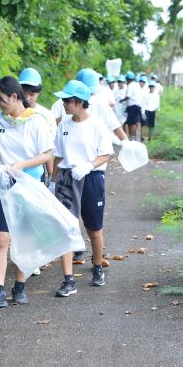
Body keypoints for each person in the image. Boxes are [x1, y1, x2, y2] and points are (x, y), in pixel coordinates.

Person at [0, 76, 53, 308]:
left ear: (14, 96)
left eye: (1, 99)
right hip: (1, 182)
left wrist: (20, 166)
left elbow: (47, 154)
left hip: (28, 183)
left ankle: (20, 284)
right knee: (1, 237)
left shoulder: (37, 121)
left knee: (24, 236)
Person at [51, 80, 113, 296]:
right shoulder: (63, 126)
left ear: (79, 102)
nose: (64, 104)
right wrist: (53, 181)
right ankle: (68, 280)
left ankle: (97, 266)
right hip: (68, 178)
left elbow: (105, 154)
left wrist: (88, 165)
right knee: (66, 227)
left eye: (66, 101)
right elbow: (58, 155)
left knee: (93, 227)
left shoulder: (96, 125)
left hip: (91, 176)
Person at [70, 68, 127, 262]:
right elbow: (118, 129)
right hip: (81, 167)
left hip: (93, 166)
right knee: (80, 214)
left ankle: (90, 252)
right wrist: (126, 143)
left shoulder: (96, 106)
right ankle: (85, 248)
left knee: (85, 215)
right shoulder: (72, 104)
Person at [18, 67, 57, 276]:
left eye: (33, 91)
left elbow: (48, 150)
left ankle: (34, 256)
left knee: (35, 216)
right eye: (25, 90)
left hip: (35, 172)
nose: (29, 95)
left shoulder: (45, 115)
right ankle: (25, 255)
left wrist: (52, 178)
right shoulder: (9, 114)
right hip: (14, 173)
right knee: (19, 217)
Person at [120, 71, 143, 141]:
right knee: (132, 123)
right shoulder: (137, 85)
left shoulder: (130, 85)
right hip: (137, 106)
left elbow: (128, 96)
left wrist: (121, 100)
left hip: (132, 106)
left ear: (128, 79)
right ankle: (132, 137)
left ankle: (132, 138)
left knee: (132, 123)